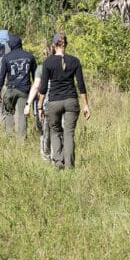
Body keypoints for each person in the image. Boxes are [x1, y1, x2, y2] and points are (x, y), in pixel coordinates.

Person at [37, 33, 90, 169]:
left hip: (54, 102)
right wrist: (85, 105)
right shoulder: (75, 61)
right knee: (69, 133)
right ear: (66, 45)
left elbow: (43, 88)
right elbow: (81, 85)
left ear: (54, 46)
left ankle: (59, 161)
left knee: (55, 130)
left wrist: (40, 106)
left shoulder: (48, 62)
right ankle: (70, 166)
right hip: (71, 100)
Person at [0, 35, 36, 140]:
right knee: (22, 115)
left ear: (10, 45)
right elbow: (35, 76)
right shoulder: (30, 56)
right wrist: (36, 91)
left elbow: (1, 77)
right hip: (24, 90)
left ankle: (9, 137)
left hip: (11, 89)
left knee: (8, 113)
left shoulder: (6, 58)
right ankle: (22, 140)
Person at [25, 43, 56, 161]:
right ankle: (56, 155)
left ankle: (46, 156)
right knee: (57, 130)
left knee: (44, 131)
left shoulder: (41, 68)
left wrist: (28, 103)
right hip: (59, 102)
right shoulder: (63, 66)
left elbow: (35, 87)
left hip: (44, 104)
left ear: (46, 53)